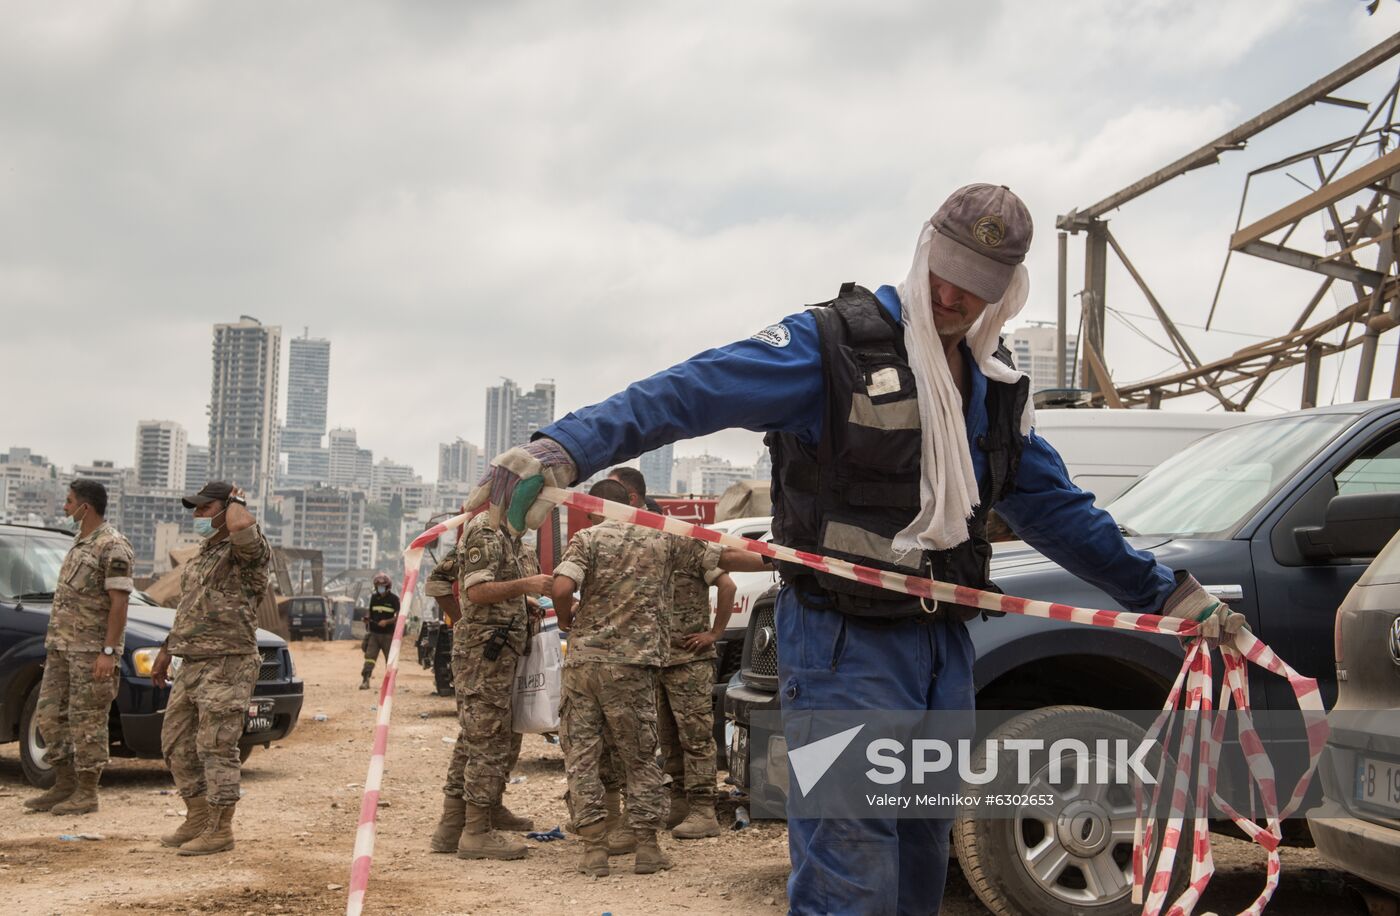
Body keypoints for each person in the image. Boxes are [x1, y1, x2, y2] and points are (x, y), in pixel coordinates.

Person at [469, 183, 1246, 914]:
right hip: (843, 648)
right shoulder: (830, 346)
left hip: (942, 649)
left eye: (974, 283)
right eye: (943, 272)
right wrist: (562, 449)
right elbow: (691, 389)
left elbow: (1062, 514)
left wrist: (1170, 595)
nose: (950, 295)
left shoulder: (991, 388)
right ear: (923, 252)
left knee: (917, 861)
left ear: (1007, 290)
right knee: (851, 866)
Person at [551, 478, 676, 878]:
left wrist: (567, 617)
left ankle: (593, 851)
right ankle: (646, 849)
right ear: (631, 503)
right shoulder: (660, 537)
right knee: (639, 757)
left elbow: (562, 585)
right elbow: (722, 560)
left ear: (593, 507)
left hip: (584, 663)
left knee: (582, 757)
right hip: (633, 666)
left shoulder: (587, 538)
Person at [149, 481, 270, 856]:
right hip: (193, 660)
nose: (198, 515)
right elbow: (190, 606)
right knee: (175, 742)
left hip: (228, 662)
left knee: (216, 746)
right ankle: (198, 815)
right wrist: (168, 649)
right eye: (196, 509)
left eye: (205, 508)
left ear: (225, 508)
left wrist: (236, 502)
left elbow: (240, 526)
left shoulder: (247, 550)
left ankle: (220, 829)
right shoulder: (204, 552)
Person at [422, 512, 549, 860]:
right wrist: (471, 626)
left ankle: (456, 825)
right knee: (486, 739)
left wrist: (523, 605)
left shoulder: (512, 541)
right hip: (485, 655)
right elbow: (469, 590)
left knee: (481, 736)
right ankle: (475, 832)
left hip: (503, 654)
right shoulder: (486, 531)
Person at [23, 480, 135, 816]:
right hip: (61, 648)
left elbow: (119, 604)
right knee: (50, 715)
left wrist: (109, 652)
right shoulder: (79, 543)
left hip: (91, 652)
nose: (65, 507)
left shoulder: (112, 546)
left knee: (88, 721)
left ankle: (87, 791)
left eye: (69, 502)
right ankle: (65, 783)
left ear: (86, 507)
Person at [658, 534, 737, 838]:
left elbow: (728, 585)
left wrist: (714, 633)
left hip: (690, 661)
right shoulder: (651, 554)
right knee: (668, 738)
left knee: (696, 735)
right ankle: (679, 802)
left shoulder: (687, 548)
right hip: (660, 658)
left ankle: (704, 809)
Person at [360, 572, 400, 689]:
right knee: (369, 658)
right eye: (378, 587)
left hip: (388, 635)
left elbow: (398, 617)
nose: (380, 589)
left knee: (390, 660)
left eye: (382, 587)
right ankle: (365, 680)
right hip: (374, 634)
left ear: (388, 587)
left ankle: (390, 683)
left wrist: (387, 622)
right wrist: (367, 619)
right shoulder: (374, 598)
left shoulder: (394, 599)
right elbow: (370, 612)